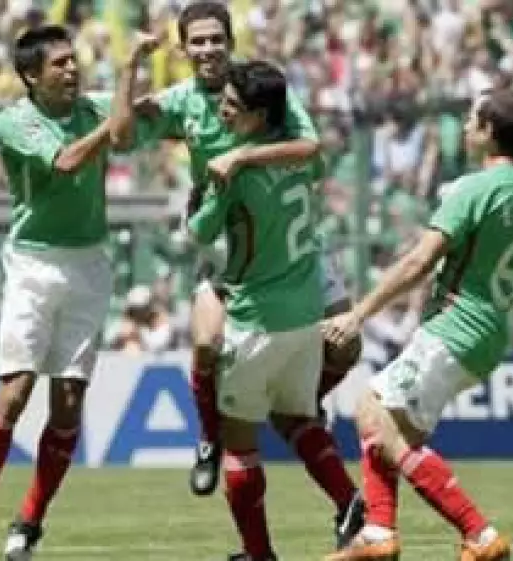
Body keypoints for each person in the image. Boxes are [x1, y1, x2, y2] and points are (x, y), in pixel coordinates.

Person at [111, 1, 364, 548]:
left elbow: (311, 147)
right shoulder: (181, 101)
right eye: (197, 41)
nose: (207, 49)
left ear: (230, 41)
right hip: (231, 245)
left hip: (283, 245)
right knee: (206, 345)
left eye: (215, 39)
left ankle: (296, 409)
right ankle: (212, 439)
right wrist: (129, 68)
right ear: (184, 47)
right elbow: (122, 137)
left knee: (348, 346)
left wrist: (242, 159)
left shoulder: (263, 89)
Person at [323, 89, 513, 561]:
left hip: (454, 325)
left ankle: (478, 535)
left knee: (371, 411)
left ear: (488, 132)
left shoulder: (473, 189)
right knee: (391, 427)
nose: (463, 126)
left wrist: (358, 313)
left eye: (470, 119)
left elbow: (419, 262)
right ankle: (378, 534)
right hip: (489, 335)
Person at [0, 25, 158, 561]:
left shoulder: (95, 108)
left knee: (67, 404)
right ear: (31, 76)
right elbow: (67, 161)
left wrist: (133, 73)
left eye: (73, 60)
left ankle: (29, 522)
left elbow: (135, 126)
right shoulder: (14, 121)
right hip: (34, 263)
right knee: (15, 392)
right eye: (59, 63)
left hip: (89, 264)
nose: (71, 69)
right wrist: (114, 120)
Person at [187, 58, 335, 561]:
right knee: (300, 419)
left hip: (257, 318)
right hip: (305, 314)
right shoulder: (303, 161)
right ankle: (351, 503)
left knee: (239, 443)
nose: (223, 111)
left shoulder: (235, 173)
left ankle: (259, 553)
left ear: (259, 116)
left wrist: (208, 191)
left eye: (233, 106)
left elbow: (200, 232)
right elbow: (313, 154)